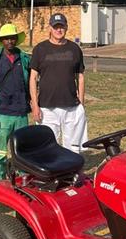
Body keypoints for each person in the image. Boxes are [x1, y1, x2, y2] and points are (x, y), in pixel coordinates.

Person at [29, 12, 88, 153]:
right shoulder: (40, 49)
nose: (59, 30)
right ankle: (51, 174)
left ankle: (71, 173)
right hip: (46, 108)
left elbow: (80, 76)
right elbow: (33, 78)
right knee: (47, 147)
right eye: (56, 27)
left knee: (73, 148)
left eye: (61, 26)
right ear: (50, 28)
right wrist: (35, 105)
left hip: (71, 106)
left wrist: (81, 102)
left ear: (66, 28)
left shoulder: (74, 49)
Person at [0, 23, 31, 180]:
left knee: (22, 148)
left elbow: (31, 81)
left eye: (12, 38)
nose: (10, 41)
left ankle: (22, 178)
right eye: (6, 38)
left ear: (16, 39)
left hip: (21, 111)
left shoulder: (24, 58)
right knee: (0, 151)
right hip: (2, 112)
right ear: (1, 41)